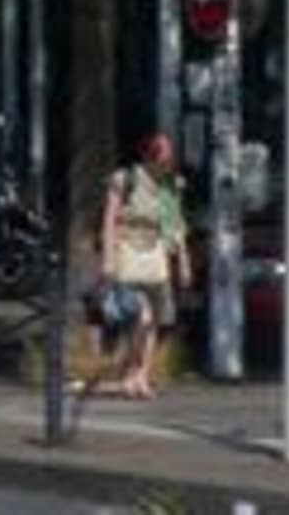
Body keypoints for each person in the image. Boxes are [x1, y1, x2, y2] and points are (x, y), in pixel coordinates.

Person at [94, 127, 189, 400]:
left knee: (154, 321)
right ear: (150, 155)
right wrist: (108, 258)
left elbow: (174, 224)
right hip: (129, 252)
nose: (169, 158)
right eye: (165, 153)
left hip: (156, 254)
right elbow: (109, 220)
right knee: (142, 317)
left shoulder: (170, 184)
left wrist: (182, 259)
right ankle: (130, 372)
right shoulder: (125, 179)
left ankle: (140, 377)